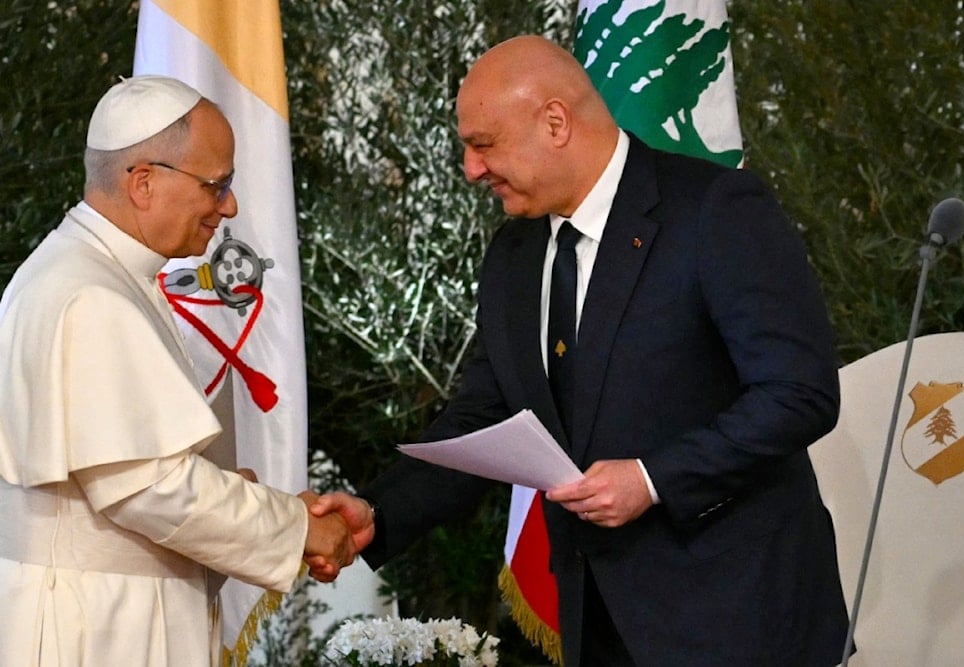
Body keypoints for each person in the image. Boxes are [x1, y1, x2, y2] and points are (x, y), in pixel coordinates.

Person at [313, 35, 850, 666]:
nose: (471, 169)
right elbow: (485, 418)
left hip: (738, 621)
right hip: (593, 623)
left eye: (483, 144)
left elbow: (800, 393)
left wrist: (653, 479)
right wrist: (379, 510)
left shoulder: (714, 210)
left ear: (556, 122)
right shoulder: (513, 256)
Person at [0, 75, 355, 667]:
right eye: (217, 185)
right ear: (143, 182)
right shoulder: (89, 292)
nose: (231, 206)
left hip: (109, 614)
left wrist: (237, 496)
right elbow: (148, 487)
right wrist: (297, 527)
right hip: (99, 630)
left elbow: (130, 468)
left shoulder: (92, 272)